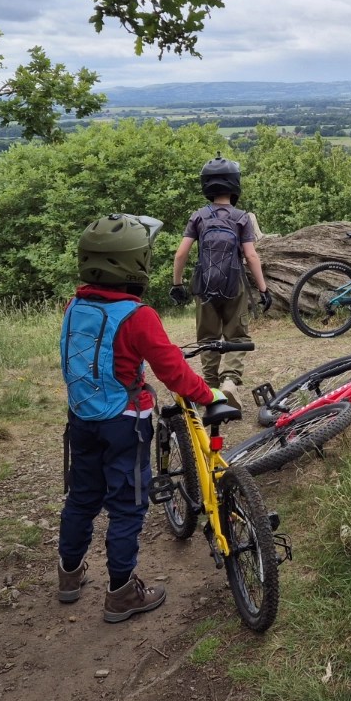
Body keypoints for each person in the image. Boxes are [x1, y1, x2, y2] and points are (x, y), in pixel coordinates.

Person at [56, 212, 235, 623]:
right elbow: (171, 369)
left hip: (81, 418)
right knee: (126, 505)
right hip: (124, 423)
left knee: (81, 497)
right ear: (135, 262)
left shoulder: (75, 304)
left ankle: (69, 575)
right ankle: (120, 593)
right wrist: (208, 394)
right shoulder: (137, 316)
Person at [170, 156, 272, 399]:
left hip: (204, 283)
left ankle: (211, 387)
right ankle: (230, 380)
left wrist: (177, 284)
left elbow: (181, 253)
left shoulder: (199, 216)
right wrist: (264, 289)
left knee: (207, 337)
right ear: (235, 184)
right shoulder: (241, 217)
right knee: (237, 335)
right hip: (233, 282)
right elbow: (251, 255)